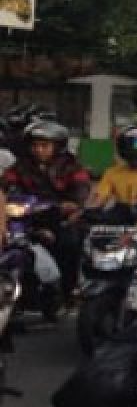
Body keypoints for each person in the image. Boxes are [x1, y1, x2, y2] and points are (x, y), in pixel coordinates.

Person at [2, 120, 92, 294]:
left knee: (69, 243)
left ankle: (67, 290)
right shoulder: (21, 165)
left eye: (44, 145)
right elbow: (5, 183)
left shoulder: (71, 166)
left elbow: (81, 190)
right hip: (25, 217)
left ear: (57, 147)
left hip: (59, 218)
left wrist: (71, 204)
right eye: (35, 145)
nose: (38, 150)